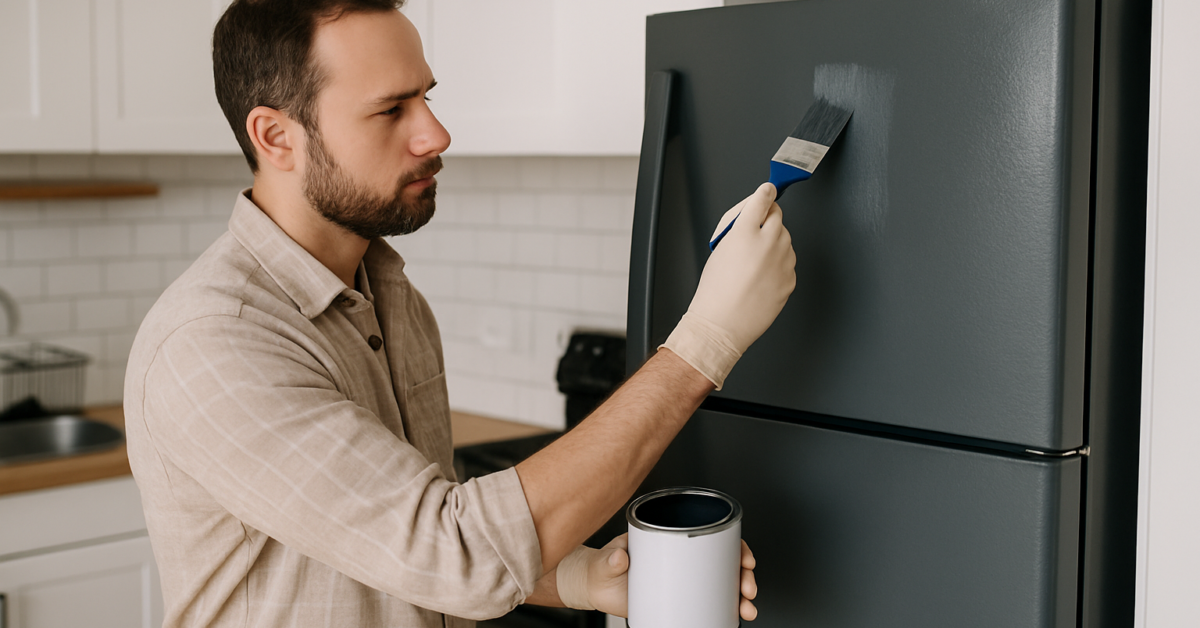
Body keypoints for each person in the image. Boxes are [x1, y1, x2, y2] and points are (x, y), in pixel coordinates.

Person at [123, 1, 796, 626]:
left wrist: (585, 577)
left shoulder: (390, 299)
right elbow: (457, 552)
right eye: (391, 110)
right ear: (276, 137)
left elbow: (404, 536)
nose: (435, 133)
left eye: (427, 97)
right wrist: (708, 338)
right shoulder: (215, 343)